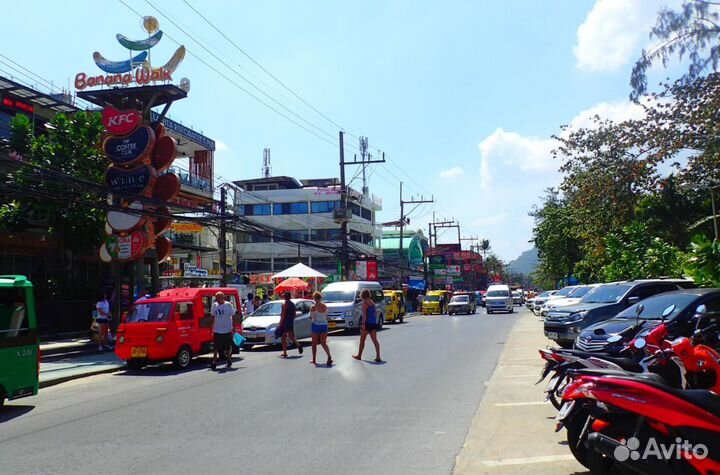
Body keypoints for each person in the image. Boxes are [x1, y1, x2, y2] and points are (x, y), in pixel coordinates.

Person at [353, 289, 382, 362]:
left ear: (362, 295)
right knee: (375, 340)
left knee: (362, 340)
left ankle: (359, 355)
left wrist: (363, 324)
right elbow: (375, 313)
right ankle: (378, 356)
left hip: (367, 323)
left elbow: (365, 315)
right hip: (373, 323)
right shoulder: (372, 302)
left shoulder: (364, 303)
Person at [210, 291, 235, 370]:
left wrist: (233, 328)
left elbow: (233, 316)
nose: (218, 299)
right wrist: (212, 327)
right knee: (216, 347)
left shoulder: (228, 305)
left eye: (219, 297)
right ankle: (214, 362)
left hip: (227, 329)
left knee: (227, 347)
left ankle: (229, 359)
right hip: (217, 329)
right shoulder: (215, 305)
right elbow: (213, 316)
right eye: (216, 298)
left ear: (223, 297)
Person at [309, 291, 332, 366]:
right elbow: (327, 316)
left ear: (314, 298)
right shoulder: (324, 306)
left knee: (314, 344)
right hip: (324, 325)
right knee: (323, 343)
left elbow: (311, 317)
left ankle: (314, 359)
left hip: (316, 325)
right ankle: (329, 355)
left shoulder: (313, 307)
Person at [279, 291, 303, 358]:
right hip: (290, 321)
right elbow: (294, 314)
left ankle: (285, 352)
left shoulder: (284, 304)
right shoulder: (292, 304)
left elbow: (283, 315)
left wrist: (280, 323)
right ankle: (298, 345)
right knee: (291, 336)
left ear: (285, 297)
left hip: (285, 322)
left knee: (283, 337)